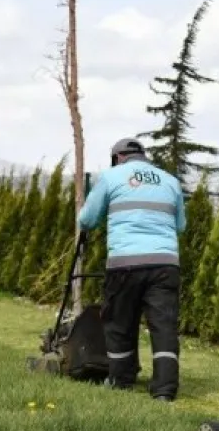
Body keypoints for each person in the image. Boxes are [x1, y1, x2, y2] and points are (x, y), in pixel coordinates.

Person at [77, 138, 186, 402]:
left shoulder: (111, 177)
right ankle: (164, 390)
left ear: (118, 158)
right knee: (164, 326)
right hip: (165, 263)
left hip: (125, 262)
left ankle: (121, 380)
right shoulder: (170, 181)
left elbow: (87, 219)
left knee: (119, 323)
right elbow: (180, 225)